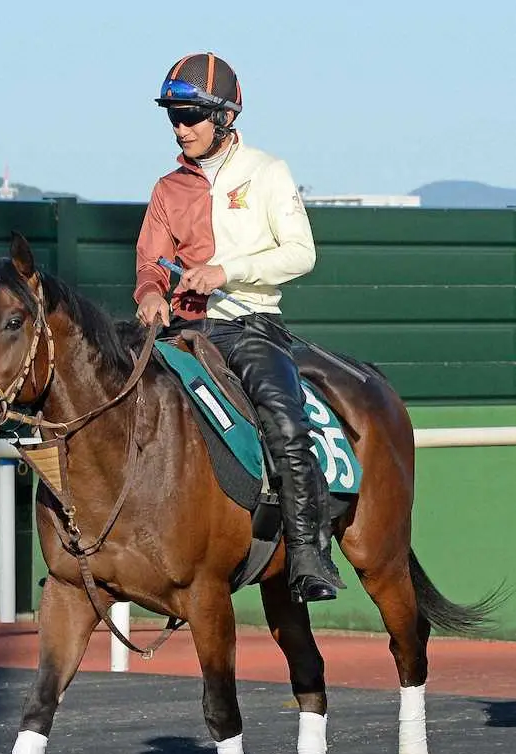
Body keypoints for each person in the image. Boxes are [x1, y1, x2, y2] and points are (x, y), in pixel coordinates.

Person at [134, 52, 344, 602]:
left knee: (285, 424)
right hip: (179, 334)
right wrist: (151, 293)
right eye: (173, 117)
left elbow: (302, 253)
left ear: (224, 116)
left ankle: (308, 555)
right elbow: (151, 262)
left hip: (249, 328)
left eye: (191, 115)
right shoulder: (165, 188)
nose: (180, 127)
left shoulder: (268, 172)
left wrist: (228, 270)